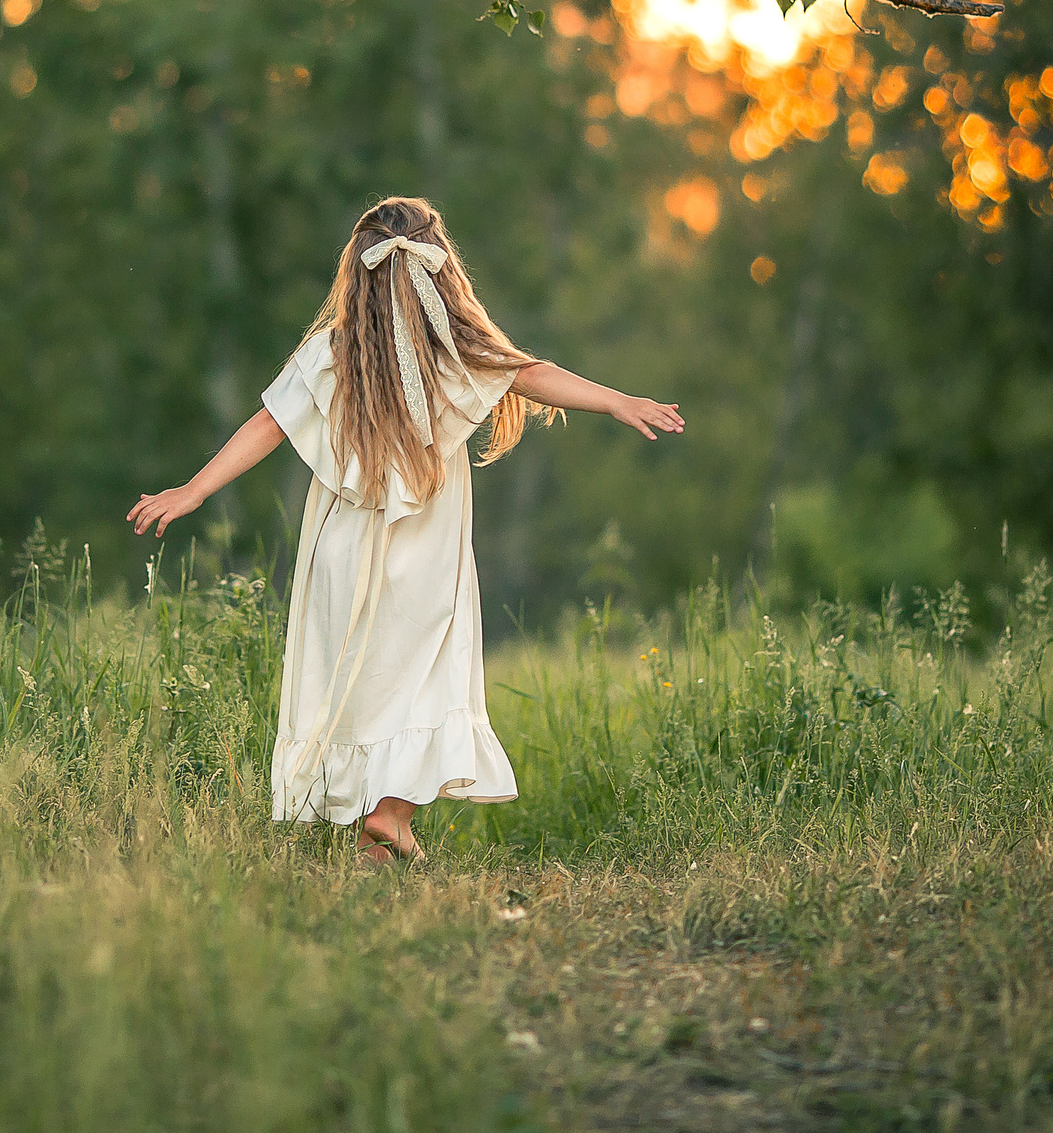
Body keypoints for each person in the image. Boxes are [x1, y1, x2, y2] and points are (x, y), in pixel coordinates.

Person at [129, 196, 684, 864]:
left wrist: (193, 489)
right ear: (442, 271)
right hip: (427, 558)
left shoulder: (333, 354)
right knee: (427, 679)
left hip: (343, 553)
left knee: (361, 683)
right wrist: (618, 400)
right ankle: (389, 818)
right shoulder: (458, 352)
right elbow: (531, 374)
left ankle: (380, 832)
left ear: (356, 275)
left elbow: (269, 422)